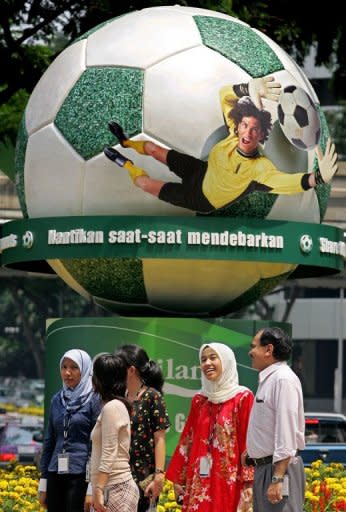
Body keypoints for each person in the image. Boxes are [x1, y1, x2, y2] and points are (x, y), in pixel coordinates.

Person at [103, 75, 338, 214]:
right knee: (153, 149)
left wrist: (317, 178)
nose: (248, 132)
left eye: (255, 130)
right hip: (201, 172)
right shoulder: (233, 135)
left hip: (202, 199)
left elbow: (288, 182)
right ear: (238, 126)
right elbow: (225, 94)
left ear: (260, 136)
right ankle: (125, 141)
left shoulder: (259, 168)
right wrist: (248, 88)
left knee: (144, 183)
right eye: (245, 125)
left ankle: (125, 163)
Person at [165, 342, 254, 511]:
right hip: (199, 480)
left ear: (226, 361)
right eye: (203, 359)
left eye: (213, 358)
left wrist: (248, 482)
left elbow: (248, 443)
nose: (207, 363)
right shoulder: (200, 399)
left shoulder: (242, 397)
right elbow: (187, 440)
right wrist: (179, 479)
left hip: (229, 481)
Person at [244, 327, 306, 511]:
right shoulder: (270, 379)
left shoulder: (282, 380)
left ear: (268, 350)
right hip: (267, 468)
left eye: (254, 346)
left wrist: (278, 477)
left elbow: (286, 430)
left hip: (278, 470)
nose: (250, 352)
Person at [38, 349, 102, 512]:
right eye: (64, 367)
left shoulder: (94, 400)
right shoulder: (56, 400)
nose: (67, 373)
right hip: (55, 473)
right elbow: (50, 441)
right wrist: (43, 482)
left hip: (81, 476)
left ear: (86, 369)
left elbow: (96, 445)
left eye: (74, 367)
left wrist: (91, 487)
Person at [114, 344, 170, 512]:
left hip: (143, 477)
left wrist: (159, 475)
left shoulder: (152, 396)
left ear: (131, 370)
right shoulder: (117, 396)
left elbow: (160, 438)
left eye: (118, 366)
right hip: (118, 475)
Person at [90, 353, 139, 512]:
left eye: (94, 374)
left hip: (115, 488)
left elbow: (109, 451)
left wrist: (98, 489)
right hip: (110, 488)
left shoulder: (112, 407)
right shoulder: (114, 406)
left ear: (101, 379)